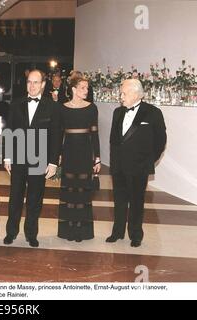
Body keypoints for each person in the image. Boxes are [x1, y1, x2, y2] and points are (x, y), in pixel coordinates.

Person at [3, 70, 61, 247]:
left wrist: (53, 162)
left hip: (40, 158)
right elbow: (9, 131)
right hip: (19, 156)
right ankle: (11, 232)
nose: (32, 86)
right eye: (29, 82)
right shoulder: (15, 104)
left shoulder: (52, 106)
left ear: (43, 84)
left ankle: (31, 234)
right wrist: (7, 156)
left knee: (35, 199)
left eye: (36, 82)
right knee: (15, 197)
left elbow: (56, 136)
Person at [107, 79, 166, 247]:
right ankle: (117, 232)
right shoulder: (117, 112)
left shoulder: (153, 113)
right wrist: (113, 163)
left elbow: (161, 141)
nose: (121, 97)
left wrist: (148, 161)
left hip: (139, 167)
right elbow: (114, 140)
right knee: (118, 201)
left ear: (135, 93)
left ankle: (135, 235)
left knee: (136, 202)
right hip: (118, 166)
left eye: (124, 93)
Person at [58, 72, 101, 242]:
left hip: (84, 152)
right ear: (74, 89)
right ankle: (68, 230)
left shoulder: (92, 108)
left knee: (82, 191)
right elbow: (59, 134)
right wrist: (58, 154)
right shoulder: (62, 108)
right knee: (70, 191)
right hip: (68, 152)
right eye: (83, 88)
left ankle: (81, 231)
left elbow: (95, 134)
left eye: (87, 88)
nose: (86, 90)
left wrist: (97, 157)